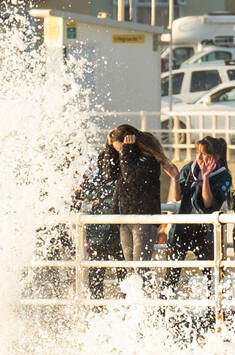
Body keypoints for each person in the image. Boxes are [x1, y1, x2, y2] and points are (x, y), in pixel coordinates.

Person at [109, 124, 177, 286]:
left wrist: (127, 151)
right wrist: (109, 148)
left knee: (140, 268)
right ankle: (134, 302)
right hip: (125, 219)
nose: (120, 154)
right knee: (130, 269)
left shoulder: (147, 160)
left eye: (120, 150)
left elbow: (130, 177)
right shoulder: (126, 158)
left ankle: (145, 302)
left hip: (143, 219)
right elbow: (109, 174)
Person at [163, 136, 232, 293]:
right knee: (171, 275)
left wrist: (206, 178)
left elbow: (208, 204)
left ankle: (212, 313)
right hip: (182, 227)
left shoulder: (223, 176)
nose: (199, 158)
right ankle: (164, 311)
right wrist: (174, 178)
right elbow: (177, 197)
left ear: (216, 157)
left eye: (204, 154)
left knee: (211, 275)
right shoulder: (189, 170)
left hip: (204, 230)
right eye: (197, 153)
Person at [76, 143, 125, 299]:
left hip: (101, 233)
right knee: (121, 273)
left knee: (97, 275)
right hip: (112, 233)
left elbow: (85, 193)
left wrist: (93, 201)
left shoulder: (96, 179)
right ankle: (127, 305)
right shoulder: (120, 178)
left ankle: (97, 307)